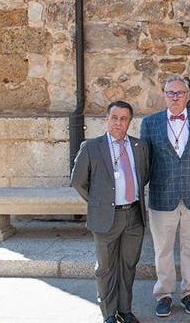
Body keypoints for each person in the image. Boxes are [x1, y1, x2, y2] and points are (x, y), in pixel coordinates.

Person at [139, 75, 190, 318]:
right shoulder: (150, 123)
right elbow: (144, 161)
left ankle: (188, 292)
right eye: (171, 92)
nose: (175, 97)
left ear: (188, 96)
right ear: (164, 95)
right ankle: (164, 294)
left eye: (180, 93)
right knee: (162, 248)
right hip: (163, 195)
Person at [71, 100, 150, 323]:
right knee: (106, 268)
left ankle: (125, 310)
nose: (118, 122)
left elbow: (144, 176)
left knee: (128, 265)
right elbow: (78, 182)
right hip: (106, 217)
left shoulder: (139, 146)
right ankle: (109, 314)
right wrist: (99, 203)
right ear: (107, 119)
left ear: (129, 122)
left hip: (134, 216)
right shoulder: (91, 147)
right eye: (114, 117)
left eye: (123, 118)